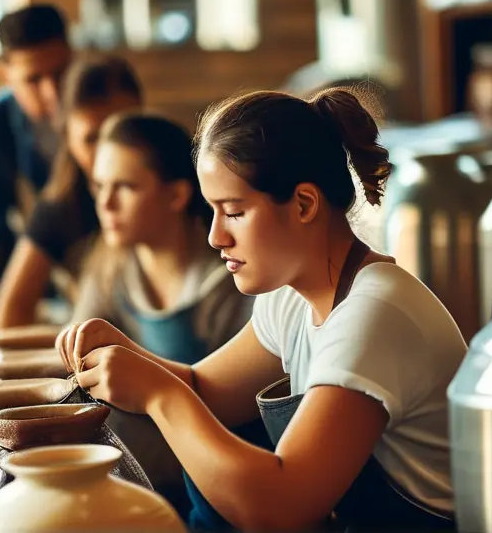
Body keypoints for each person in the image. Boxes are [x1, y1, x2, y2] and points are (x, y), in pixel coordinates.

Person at [58, 88, 466, 531]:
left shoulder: (374, 316)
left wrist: (159, 393)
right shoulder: (291, 298)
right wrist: (131, 358)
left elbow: (281, 506)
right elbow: (206, 390)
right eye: (212, 211)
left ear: (304, 203)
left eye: (233, 212)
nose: (216, 236)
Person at [66, 113, 255, 507]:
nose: (105, 203)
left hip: (213, 489)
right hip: (124, 486)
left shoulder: (232, 282)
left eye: (126, 187)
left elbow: (238, 409)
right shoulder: (108, 270)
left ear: (177, 196)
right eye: (99, 186)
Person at [0, 55, 144, 329]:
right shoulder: (59, 208)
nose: (109, 149)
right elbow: (8, 314)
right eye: (92, 138)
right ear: (68, 138)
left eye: (121, 130)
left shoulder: (183, 184)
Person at [0, 3, 72, 263]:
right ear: (4, 74)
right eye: (34, 79)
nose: (52, 92)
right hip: (22, 272)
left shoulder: (102, 114)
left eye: (60, 73)